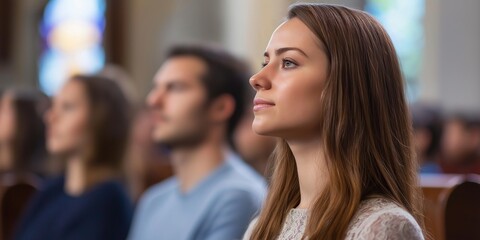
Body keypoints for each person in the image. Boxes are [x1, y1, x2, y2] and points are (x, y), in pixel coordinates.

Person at [243, 4, 425, 240]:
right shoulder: (261, 229)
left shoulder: (381, 229)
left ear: (346, 84)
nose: (257, 79)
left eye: (288, 62)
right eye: (265, 63)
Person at [128, 45, 266, 240]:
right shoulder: (153, 201)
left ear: (220, 107)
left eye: (175, 87)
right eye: (156, 87)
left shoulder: (238, 197)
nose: (153, 100)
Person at [15, 75, 133, 240]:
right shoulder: (53, 189)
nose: (50, 117)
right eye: (53, 106)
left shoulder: (108, 199)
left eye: (67, 107)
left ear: (101, 119)